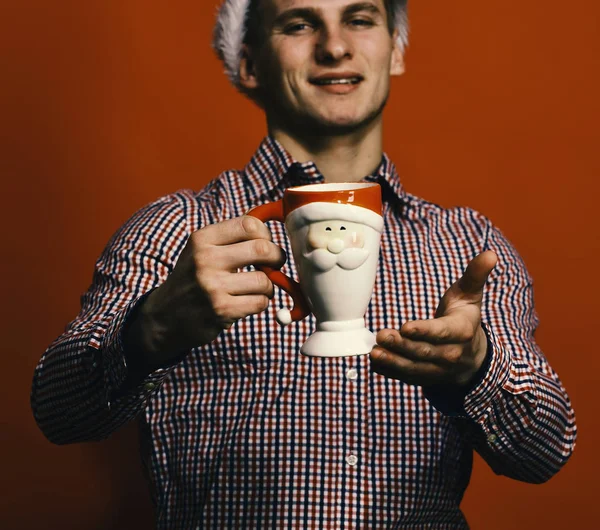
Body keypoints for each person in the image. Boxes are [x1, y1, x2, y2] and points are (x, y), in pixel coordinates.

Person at [31, 0, 577, 528]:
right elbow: (58, 412)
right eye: (298, 24)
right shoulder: (178, 232)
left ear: (396, 51)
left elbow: (546, 450)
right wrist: (146, 332)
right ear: (248, 63)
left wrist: (477, 369)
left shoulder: (468, 246)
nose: (335, 47)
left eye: (360, 19)